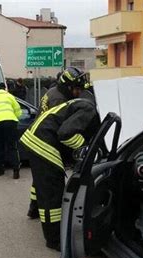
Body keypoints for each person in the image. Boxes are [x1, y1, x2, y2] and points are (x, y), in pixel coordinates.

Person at [20, 97, 100, 251]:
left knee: (41, 183)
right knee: (52, 194)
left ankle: (34, 209)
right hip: (44, 143)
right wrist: (85, 149)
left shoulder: (79, 102)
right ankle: (54, 239)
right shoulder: (89, 109)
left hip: (34, 137)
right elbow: (65, 133)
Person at [27, 67, 87, 219]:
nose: (79, 93)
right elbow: (63, 129)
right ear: (68, 86)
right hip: (46, 140)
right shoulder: (59, 100)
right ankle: (49, 219)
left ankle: (33, 208)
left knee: (39, 181)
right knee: (50, 185)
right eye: (76, 89)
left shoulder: (54, 91)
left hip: (38, 137)